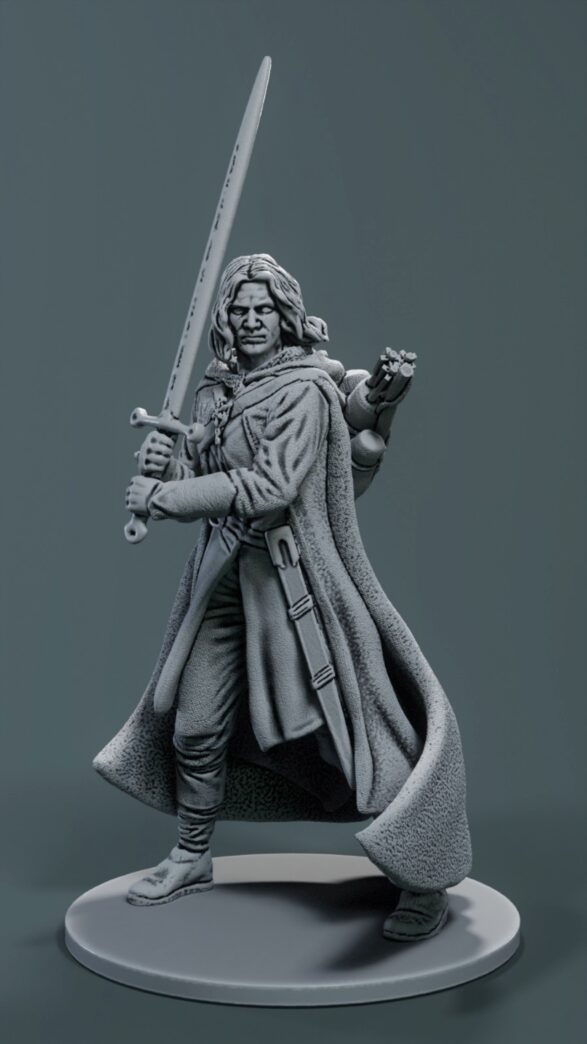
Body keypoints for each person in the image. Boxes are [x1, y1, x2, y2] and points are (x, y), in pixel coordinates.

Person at [95, 253, 471, 941]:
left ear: (285, 315)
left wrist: (165, 498)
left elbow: (268, 488)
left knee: (352, 731)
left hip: (298, 587)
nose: (250, 321)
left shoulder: (302, 390)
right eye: (240, 310)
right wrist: (167, 463)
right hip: (224, 583)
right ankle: (191, 852)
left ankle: (422, 874)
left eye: (263, 309)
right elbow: (204, 466)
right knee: (194, 726)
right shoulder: (216, 390)